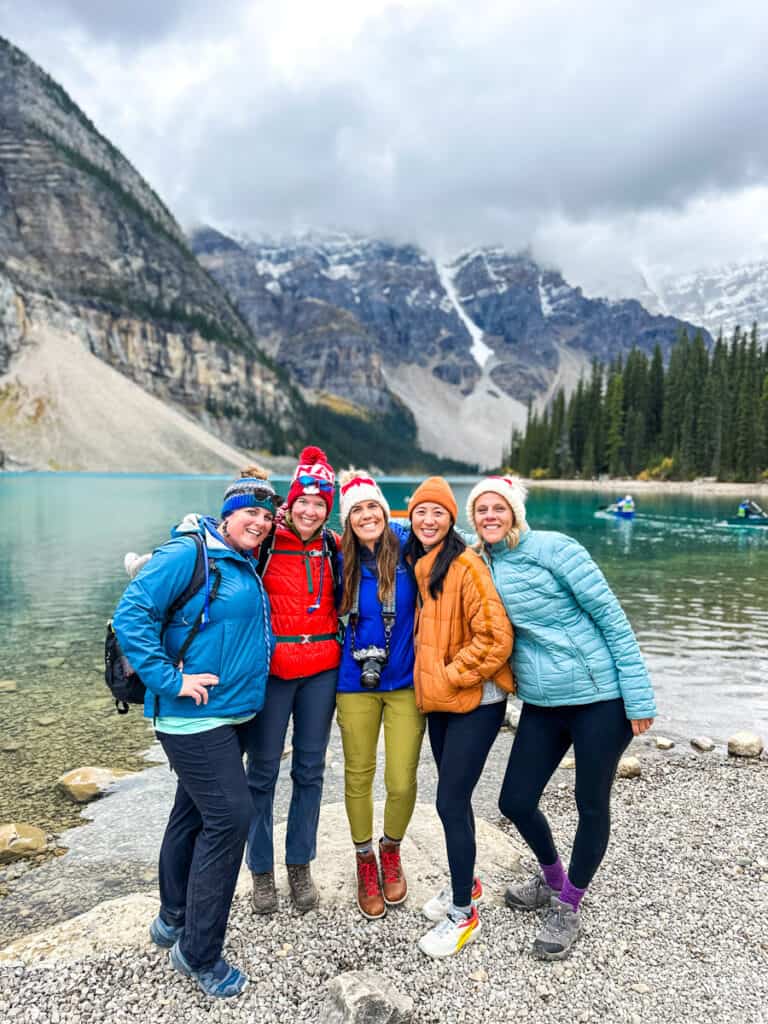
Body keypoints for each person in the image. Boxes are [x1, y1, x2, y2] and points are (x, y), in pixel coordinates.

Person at [466, 475, 656, 961]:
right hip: (543, 702)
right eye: (481, 509)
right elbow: (428, 535)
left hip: (600, 698)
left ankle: (570, 905)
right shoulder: (480, 560)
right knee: (515, 800)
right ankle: (552, 878)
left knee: (590, 802)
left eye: (498, 507)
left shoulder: (556, 548)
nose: (490, 516)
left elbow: (612, 618)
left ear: (514, 511)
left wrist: (638, 698)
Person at [112, 467, 278, 999]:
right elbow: (130, 613)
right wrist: (170, 679)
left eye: (266, 515)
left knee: (193, 812)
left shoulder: (241, 559)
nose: (260, 522)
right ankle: (199, 952)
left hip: (225, 714)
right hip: (190, 715)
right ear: (227, 515)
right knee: (232, 817)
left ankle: (171, 917)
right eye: (249, 512)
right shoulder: (190, 553)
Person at [404, 477, 514, 958]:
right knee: (456, 799)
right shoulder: (421, 560)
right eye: (420, 512)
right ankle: (464, 887)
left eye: (438, 513)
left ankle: (463, 916)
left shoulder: (465, 565)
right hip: (443, 703)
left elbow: (495, 638)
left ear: (452, 520)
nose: (428, 520)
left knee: (450, 802)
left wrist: (449, 674)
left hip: (476, 701)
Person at [245, 446, 341, 915]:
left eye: (319, 504)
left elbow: (384, 539)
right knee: (261, 773)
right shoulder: (265, 540)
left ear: (329, 508)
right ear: (290, 501)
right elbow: (224, 536)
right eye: (303, 501)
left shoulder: (333, 546)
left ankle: (299, 863)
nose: (309, 510)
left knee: (310, 770)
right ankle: (260, 871)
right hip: (274, 670)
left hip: (322, 669)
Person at [335, 470, 425, 919]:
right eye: (356, 510)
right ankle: (364, 859)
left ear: (385, 512)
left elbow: (448, 534)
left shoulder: (409, 547)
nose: (366, 515)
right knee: (358, 774)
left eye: (373, 507)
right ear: (347, 520)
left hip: (406, 683)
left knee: (402, 778)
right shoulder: (338, 558)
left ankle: (391, 848)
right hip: (353, 684)